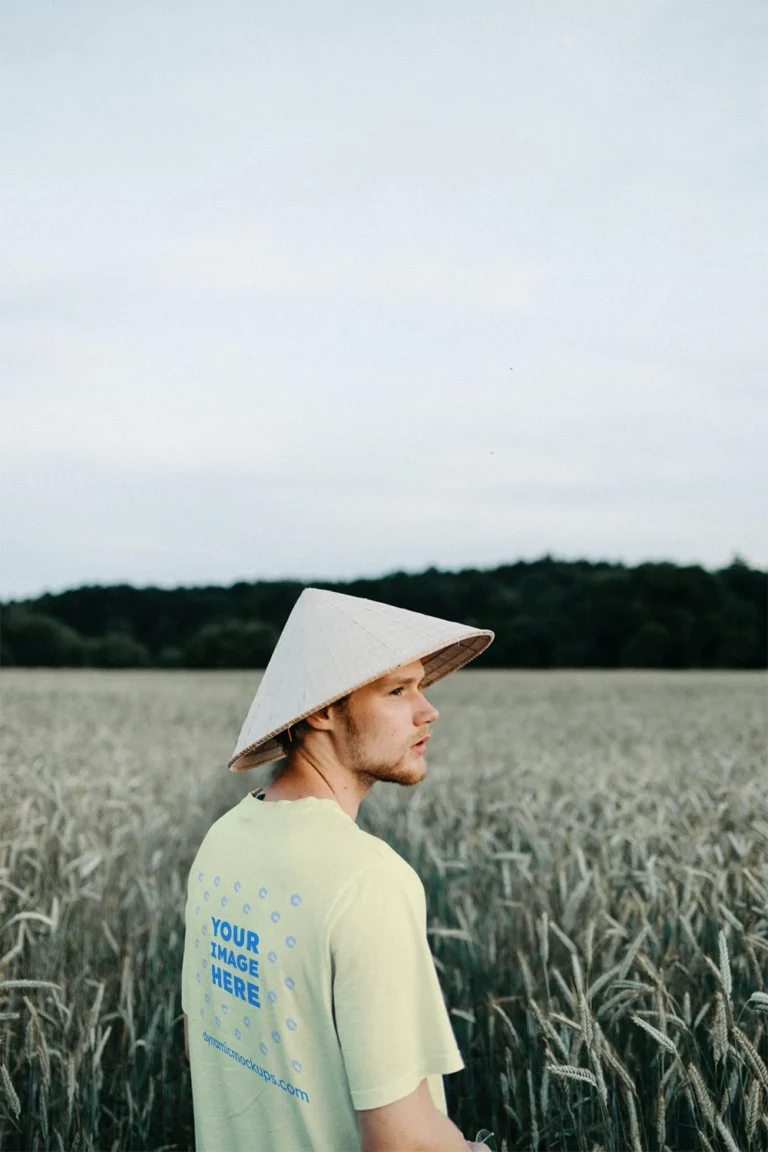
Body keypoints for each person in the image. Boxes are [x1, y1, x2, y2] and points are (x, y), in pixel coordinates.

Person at [181, 587, 495, 1150]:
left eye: (422, 686)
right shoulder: (367, 879)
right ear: (323, 708)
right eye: (398, 689)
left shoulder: (222, 841)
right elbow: (403, 1140)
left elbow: (206, 1041)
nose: (429, 710)